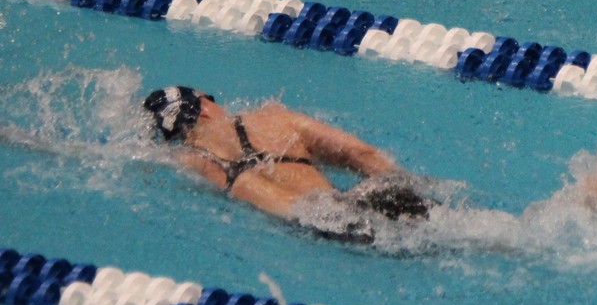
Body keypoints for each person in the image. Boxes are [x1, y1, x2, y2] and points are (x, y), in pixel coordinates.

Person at [141, 87, 432, 243]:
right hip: (348, 203)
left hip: (315, 224)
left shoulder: (189, 160)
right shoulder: (271, 118)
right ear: (202, 106)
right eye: (212, 98)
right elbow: (362, 153)